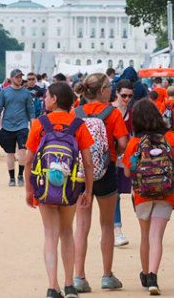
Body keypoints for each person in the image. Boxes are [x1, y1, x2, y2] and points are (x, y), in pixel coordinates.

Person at [24, 82, 94, 298]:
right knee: (67, 233)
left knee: (50, 235)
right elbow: (88, 162)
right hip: (70, 187)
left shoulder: (40, 124)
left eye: (46, 96)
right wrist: (88, 191)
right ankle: (69, 284)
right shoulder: (78, 125)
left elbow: (28, 161)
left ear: (54, 99)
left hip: (44, 187)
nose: (44, 99)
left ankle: (52, 286)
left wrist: (29, 189)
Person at [122, 99, 174, 295]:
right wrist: (171, 179)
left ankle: (144, 273)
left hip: (142, 194)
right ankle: (153, 277)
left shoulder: (135, 142)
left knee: (145, 236)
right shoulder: (171, 138)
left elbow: (126, 172)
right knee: (156, 236)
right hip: (166, 193)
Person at [72, 73, 129, 292]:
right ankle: (107, 275)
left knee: (81, 226)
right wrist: (114, 153)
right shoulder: (112, 113)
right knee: (106, 225)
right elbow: (123, 142)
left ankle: (79, 276)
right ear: (103, 90)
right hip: (106, 171)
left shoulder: (75, 112)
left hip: (80, 173)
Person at [0, 69, 35, 187]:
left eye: (20, 77)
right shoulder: (4, 92)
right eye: (17, 77)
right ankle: (12, 177)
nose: (19, 79)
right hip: (7, 126)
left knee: (23, 151)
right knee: (10, 153)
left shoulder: (26, 93)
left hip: (22, 126)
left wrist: (33, 127)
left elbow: (31, 111)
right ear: (11, 78)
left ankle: (20, 175)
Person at [111, 79, 134, 247]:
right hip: (111, 157)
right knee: (115, 195)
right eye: (123, 95)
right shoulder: (109, 111)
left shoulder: (132, 113)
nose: (126, 99)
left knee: (132, 192)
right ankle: (116, 230)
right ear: (117, 93)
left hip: (127, 157)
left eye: (129, 96)